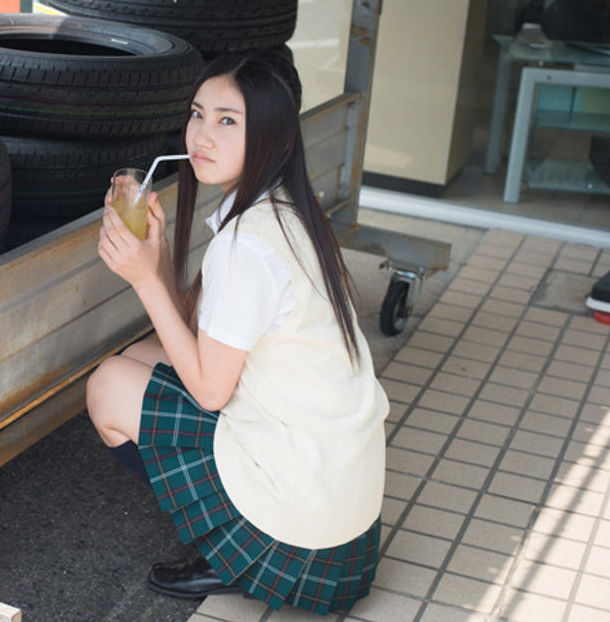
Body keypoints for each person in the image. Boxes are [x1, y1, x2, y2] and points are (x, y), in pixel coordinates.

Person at [86, 49, 389, 615]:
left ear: (274, 137)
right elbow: (202, 332)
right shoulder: (284, 209)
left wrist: (144, 281)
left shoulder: (245, 245)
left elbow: (209, 392)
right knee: (140, 354)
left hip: (301, 536)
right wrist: (153, 262)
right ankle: (227, 523)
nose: (202, 134)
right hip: (339, 510)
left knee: (109, 385)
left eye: (228, 120)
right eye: (198, 114)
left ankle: (230, 553)